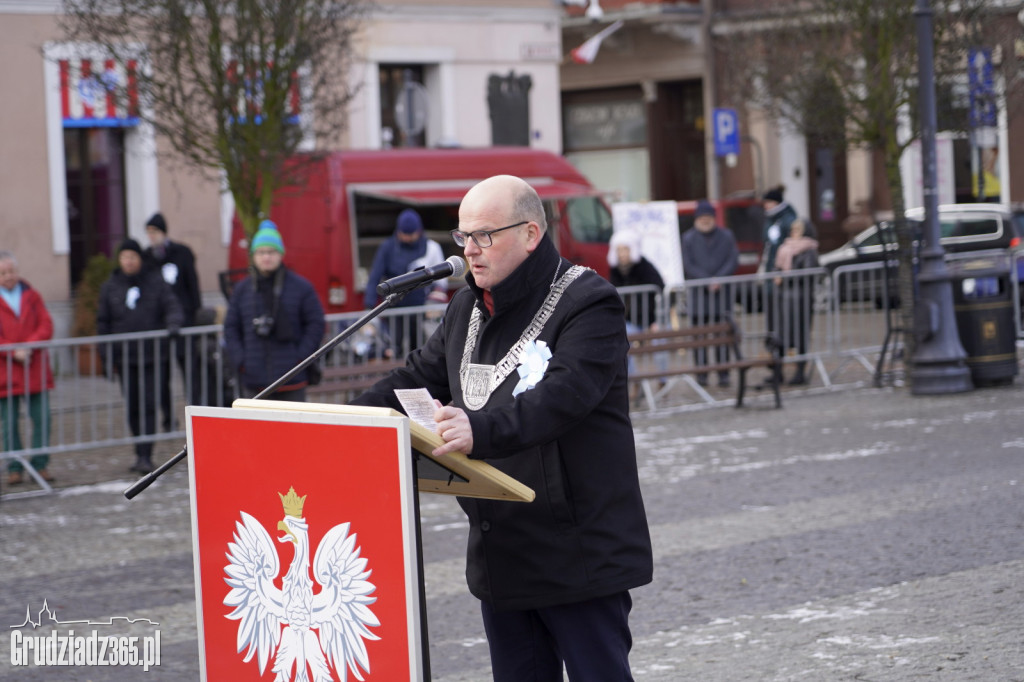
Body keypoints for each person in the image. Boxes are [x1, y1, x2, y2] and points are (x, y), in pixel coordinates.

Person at [352, 175, 653, 681]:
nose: (470, 250)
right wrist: (344, 422)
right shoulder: (466, 306)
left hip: (577, 554)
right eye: (463, 236)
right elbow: (414, 378)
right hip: (503, 553)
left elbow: (563, 397)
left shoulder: (589, 302)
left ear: (531, 233)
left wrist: (479, 429)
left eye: (484, 235)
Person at [97, 238, 184, 474]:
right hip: (126, 359)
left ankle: (146, 454)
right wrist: (106, 358)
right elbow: (103, 323)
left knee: (148, 405)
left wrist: (173, 324)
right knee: (133, 407)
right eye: (124, 257)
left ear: (139, 259)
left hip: (152, 356)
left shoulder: (155, 282)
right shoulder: (111, 286)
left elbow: (172, 306)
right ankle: (139, 452)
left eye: (132, 257)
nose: (128, 261)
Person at [224, 220, 325, 402]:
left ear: (280, 254)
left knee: (293, 430)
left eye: (271, 252)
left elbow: (316, 324)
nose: (266, 257)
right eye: (261, 252)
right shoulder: (242, 290)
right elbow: (231, 328)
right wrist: (241, 361)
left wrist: (301, 358)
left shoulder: (301, 287)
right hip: (253, 380)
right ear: (254, 256)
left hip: (292, 378)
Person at [0, 252, 55, 486]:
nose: (8, 276)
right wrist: (13, 351)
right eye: (3, 273)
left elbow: (46, 324)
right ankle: (15, 467)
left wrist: (30, 345)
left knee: (42, 418)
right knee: (9, 424)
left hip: (34, 368)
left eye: (11, 271)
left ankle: (39, 464)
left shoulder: (32, 296)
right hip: (7, 372)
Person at [362, 208, 447, 358]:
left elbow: (441, 279)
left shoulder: (431, 248)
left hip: (420, 309)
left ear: (419, 231)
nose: (407, 238)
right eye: (404, 234)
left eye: (411, 234)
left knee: (421, 349)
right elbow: (374, 277)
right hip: (393, 307)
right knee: (393, 349)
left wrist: (433, 303)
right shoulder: (387, 247)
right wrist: (369, 307)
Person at [143, 212, 203, 421]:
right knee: (161, 377)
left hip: (184, 323)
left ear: (163, 232)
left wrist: (195, 314)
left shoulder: (181, 253)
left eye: (154, 231)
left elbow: (192, 286)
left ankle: (195, 414)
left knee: (190, 373)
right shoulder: (146, 257)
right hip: (160, 325)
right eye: (148, 232)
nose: (151, 236)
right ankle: (168, 416)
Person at [681, 199, 739, 387]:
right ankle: (702, 373)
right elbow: (687, 264)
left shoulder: (727, 236)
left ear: (714, 218)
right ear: (697, 219)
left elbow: (733, 259)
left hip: (721, 295)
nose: (705, 220)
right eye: (702, 217)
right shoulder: (688, 238)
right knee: (700, 337)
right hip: (699, 297)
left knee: (722, 337)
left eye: (708, 217)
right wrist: (706, 280)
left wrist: (718, 279)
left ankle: (723, 373)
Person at [773, 218, 819, 385]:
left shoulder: (809, 250)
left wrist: (784, 278)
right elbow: (777, 267)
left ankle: (800, 372)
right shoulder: (785, 248)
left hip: (800, 300)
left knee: (799, 336)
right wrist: (776, 274)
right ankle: (778, 372)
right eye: (793, 229)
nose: (794, 233)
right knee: (779, 336)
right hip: (783, 299)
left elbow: (806, 274)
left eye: (797, 230)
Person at [759, 186, 798, 387]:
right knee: (773, 328)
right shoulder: (770, 220)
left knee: (784, 328)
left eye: (768, 202)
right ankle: (776, 368)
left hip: (782, 284)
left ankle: (789, 368)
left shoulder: (788, 219)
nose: (765, 206)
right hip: (771, 281)